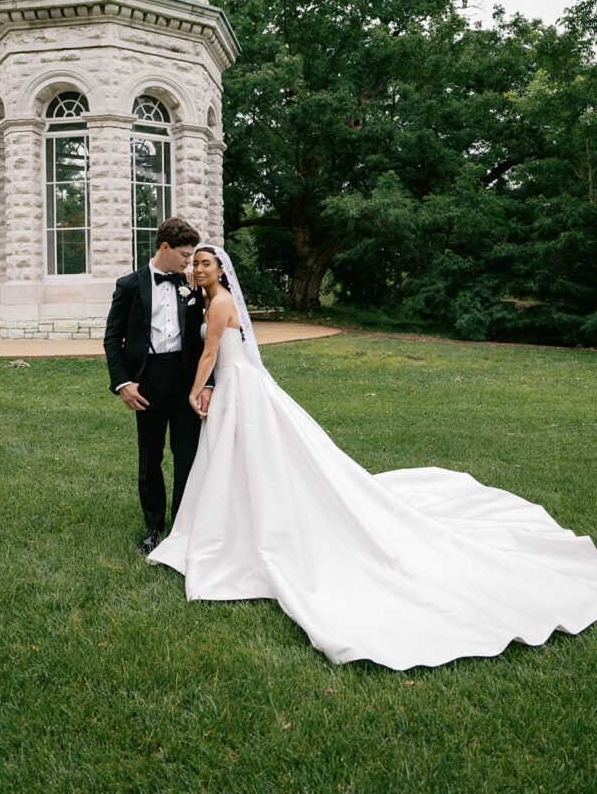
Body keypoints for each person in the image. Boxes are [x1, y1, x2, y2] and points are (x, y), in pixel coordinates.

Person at [148, 245, 597, 670]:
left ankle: (247, 528)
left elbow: (211, 352)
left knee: (254, 454)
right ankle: (229, 523)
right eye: (197, 263)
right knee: (235, 458)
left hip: (237, 385)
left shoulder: (221, 301)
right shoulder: (205, 298)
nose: (200, 269)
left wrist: (195, 389)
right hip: (232, 385)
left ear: (222, 271)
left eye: (207, 263)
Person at [103, 218, 213, 555]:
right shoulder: (130, 285)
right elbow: (112, 338)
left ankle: (182, 526)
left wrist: (206, 383)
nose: (188, 262)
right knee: (150, 455)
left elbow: (206, 340)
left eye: (192, 256)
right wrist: (123, 382)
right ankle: (153, 526)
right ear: (164, 248)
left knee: (187, 455)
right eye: (183, 255)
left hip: (185, 381)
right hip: (147, 379)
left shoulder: (193, 285)